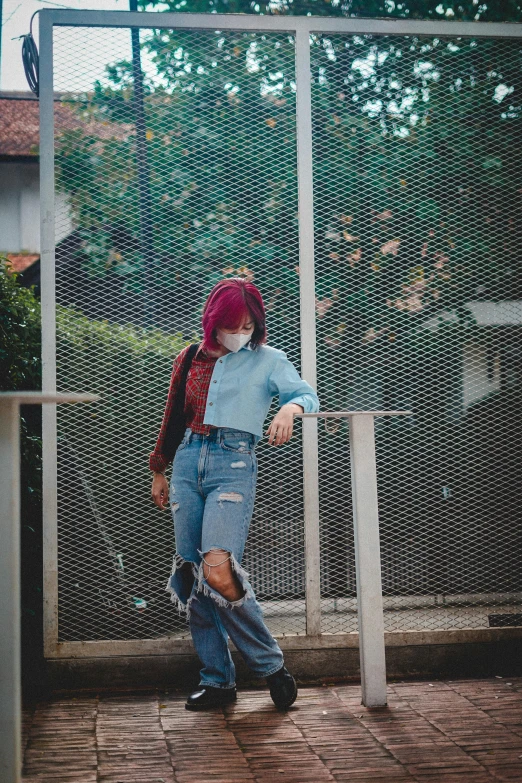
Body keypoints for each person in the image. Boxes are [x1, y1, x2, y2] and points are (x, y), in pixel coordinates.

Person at [150, 277, 320, 711]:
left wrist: (288, 408)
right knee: (193, 574)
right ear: (213, 321)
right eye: (232, 324)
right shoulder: (189, 357)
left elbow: (305, 392)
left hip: (234, 463)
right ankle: (218, 681)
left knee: (218, 568)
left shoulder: (269, 359)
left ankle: (271, 666)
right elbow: (174, 416)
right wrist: (158, 469)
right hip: (187, 463)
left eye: (248, 325)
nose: (240, 333)